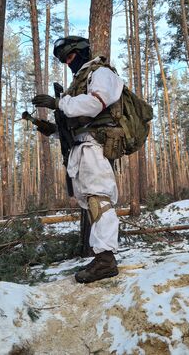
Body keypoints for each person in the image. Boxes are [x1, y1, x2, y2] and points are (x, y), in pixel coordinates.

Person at [32, 36, 123, 283]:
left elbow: (95, 104)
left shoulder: (101, 73)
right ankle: (101, 255)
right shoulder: (79, 80)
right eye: (65, 60)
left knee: (99, 199)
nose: (68, 62)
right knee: (91, 201)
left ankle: (106, 260)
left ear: (82, 52)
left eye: (71, 57)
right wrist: (50, 127)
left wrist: (59, 102)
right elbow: (74, 121)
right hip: (81, 147)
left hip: (95, 146)